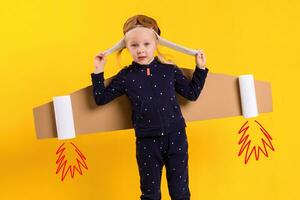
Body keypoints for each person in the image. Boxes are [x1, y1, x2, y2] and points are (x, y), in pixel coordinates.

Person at [90, 14, 209, 200]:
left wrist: (200, 69)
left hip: (176, 138)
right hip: (147, 142)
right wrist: (98, 71)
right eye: (134, 45)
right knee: (150, 195)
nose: (141, 50)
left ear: (156, 44)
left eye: (146, 44)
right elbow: (100, 98)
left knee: (180, 193)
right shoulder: (125, 76)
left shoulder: (169, 70)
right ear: (126, 47)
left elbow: (192, 94)